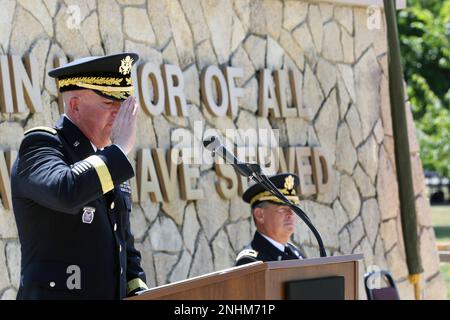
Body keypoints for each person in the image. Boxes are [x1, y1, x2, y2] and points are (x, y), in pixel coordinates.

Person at [11, 53, 148, 299]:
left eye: (123, 105)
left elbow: (124, 245)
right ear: (75, 106)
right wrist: (118, 151)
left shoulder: (108, 162)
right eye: (110, 104)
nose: (120, 116)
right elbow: (66, 191)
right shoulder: (40, 146)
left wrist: (138, 289)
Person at [235, 173, 306, 266]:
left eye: (293, 208)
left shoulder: (296, 254)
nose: (291, 214)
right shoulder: (250, 262)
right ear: (260, 215)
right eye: (282, 209)